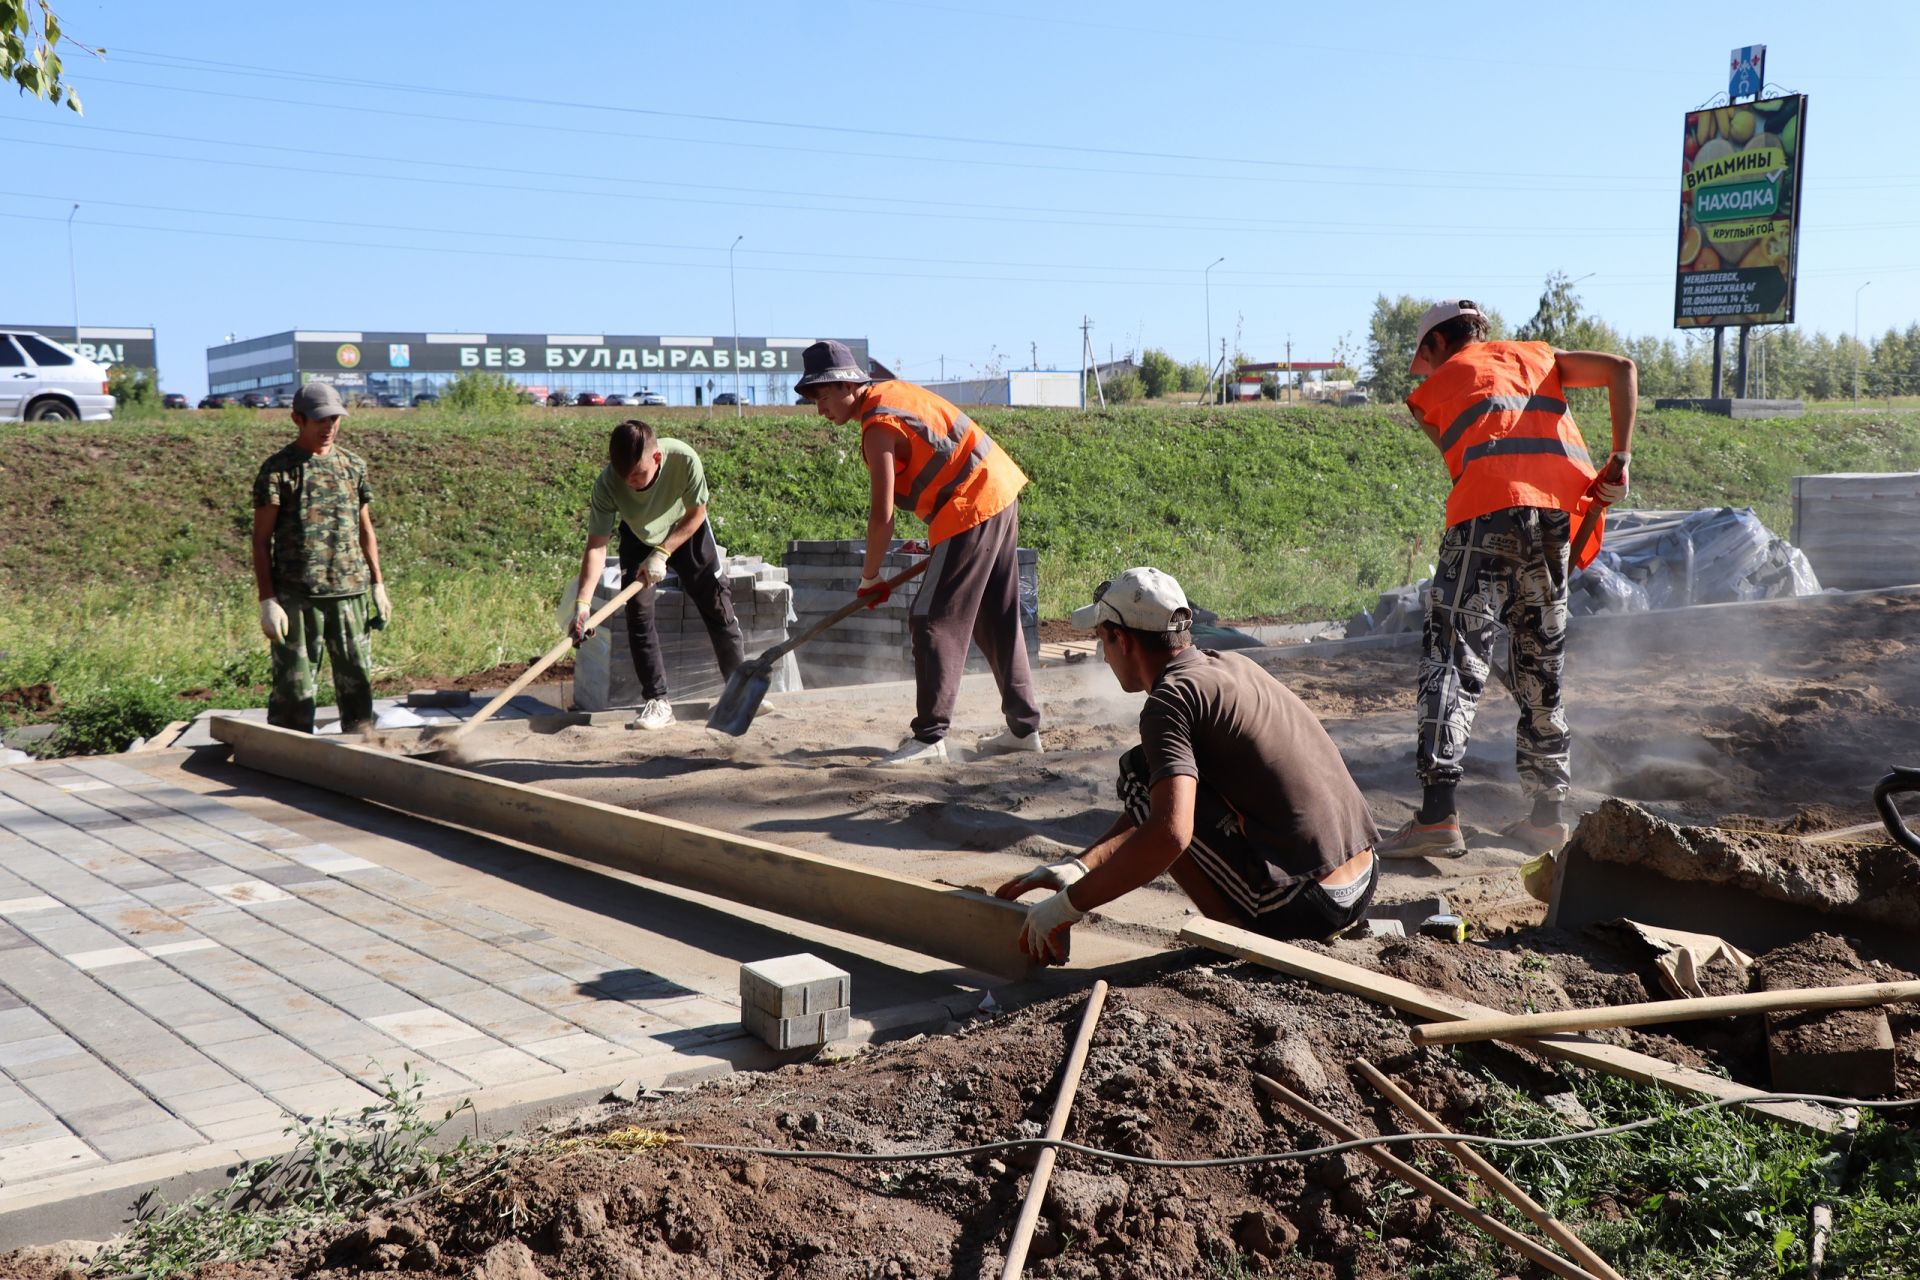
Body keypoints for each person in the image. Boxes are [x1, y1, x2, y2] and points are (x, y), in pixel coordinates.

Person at [996, 568, 1378, 964]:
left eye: (1101, 640)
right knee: (1158, 775)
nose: (1104, 656)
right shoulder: (1231, 666)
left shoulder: (1168, 702)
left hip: (1308, 906)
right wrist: (1081, 867)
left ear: (1121, 640)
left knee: (1140, 779)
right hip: (1363, 879)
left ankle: (1234, 939)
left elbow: (1169, 834)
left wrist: (1066, 908)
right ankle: (1243, 925)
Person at [1376, 299, 1635, 864]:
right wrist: (1619, 458)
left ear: (1438, 345)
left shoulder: (1435, 389)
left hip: (1485, 516)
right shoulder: (1540, 357)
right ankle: (1548, 819)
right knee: (1541, 663)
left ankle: (1439, 815)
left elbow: (1473, 460)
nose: (1425, 372)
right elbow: (1622, 369)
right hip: (1553, 522)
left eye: (1425, 358)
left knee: (1454, 655)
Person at [796, 340, 1041, 766]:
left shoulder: (879, 423)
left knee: (932, 619)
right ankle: (1023, 730)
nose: (820, 409)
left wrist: (869, 577)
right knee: (995, 617)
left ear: (844, 384)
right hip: (997, 492)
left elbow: (882, 515)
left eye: (821, 397)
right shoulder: (893, 397)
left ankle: (930, 739)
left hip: (971, 505)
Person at [568, 419, 744, 730]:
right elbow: (596, 546)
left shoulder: (684, 459)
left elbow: (697, 513)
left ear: (657, 458)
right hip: (638, 535)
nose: (630, 482)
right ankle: (658, 702)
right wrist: (582, 605)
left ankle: (739, 688)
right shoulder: (608, 483)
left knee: (716, 602)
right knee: (637, 614)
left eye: (638, 474)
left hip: (685, 529)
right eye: (624, 476)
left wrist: (662, 553)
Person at [250, 381, 391, 734]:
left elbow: (365, 530)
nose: (329, 426)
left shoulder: (352, 466)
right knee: (294, 696)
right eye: (320, 420)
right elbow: (261, 539)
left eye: (334, 419)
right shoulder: (278, 470)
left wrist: (378, 584)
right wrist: (268, 600)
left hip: (350, 595)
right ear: (297, 419)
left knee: (358, 689)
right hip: (298, 599)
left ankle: (363, 762)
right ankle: (285, 766)